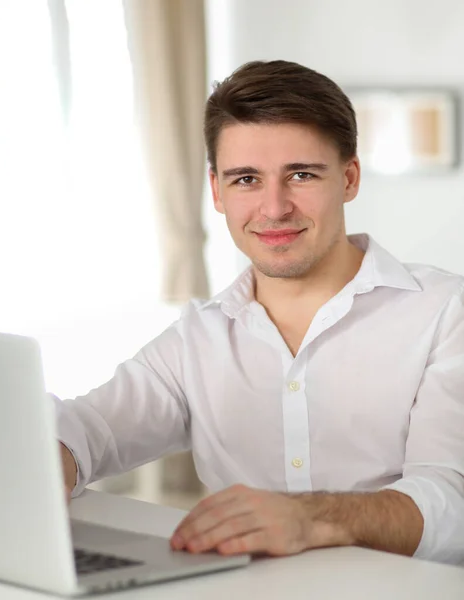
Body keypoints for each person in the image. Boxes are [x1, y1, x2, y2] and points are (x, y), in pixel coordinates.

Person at [55, 60, 464, 565]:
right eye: (246, 179)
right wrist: (51, 455)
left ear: (350, 178)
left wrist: (311, 518)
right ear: (216, 192)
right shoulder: (197, 338)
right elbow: (90, 427)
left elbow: (452, 508)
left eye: (301, 174)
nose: (274, 207)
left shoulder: (446, 312)